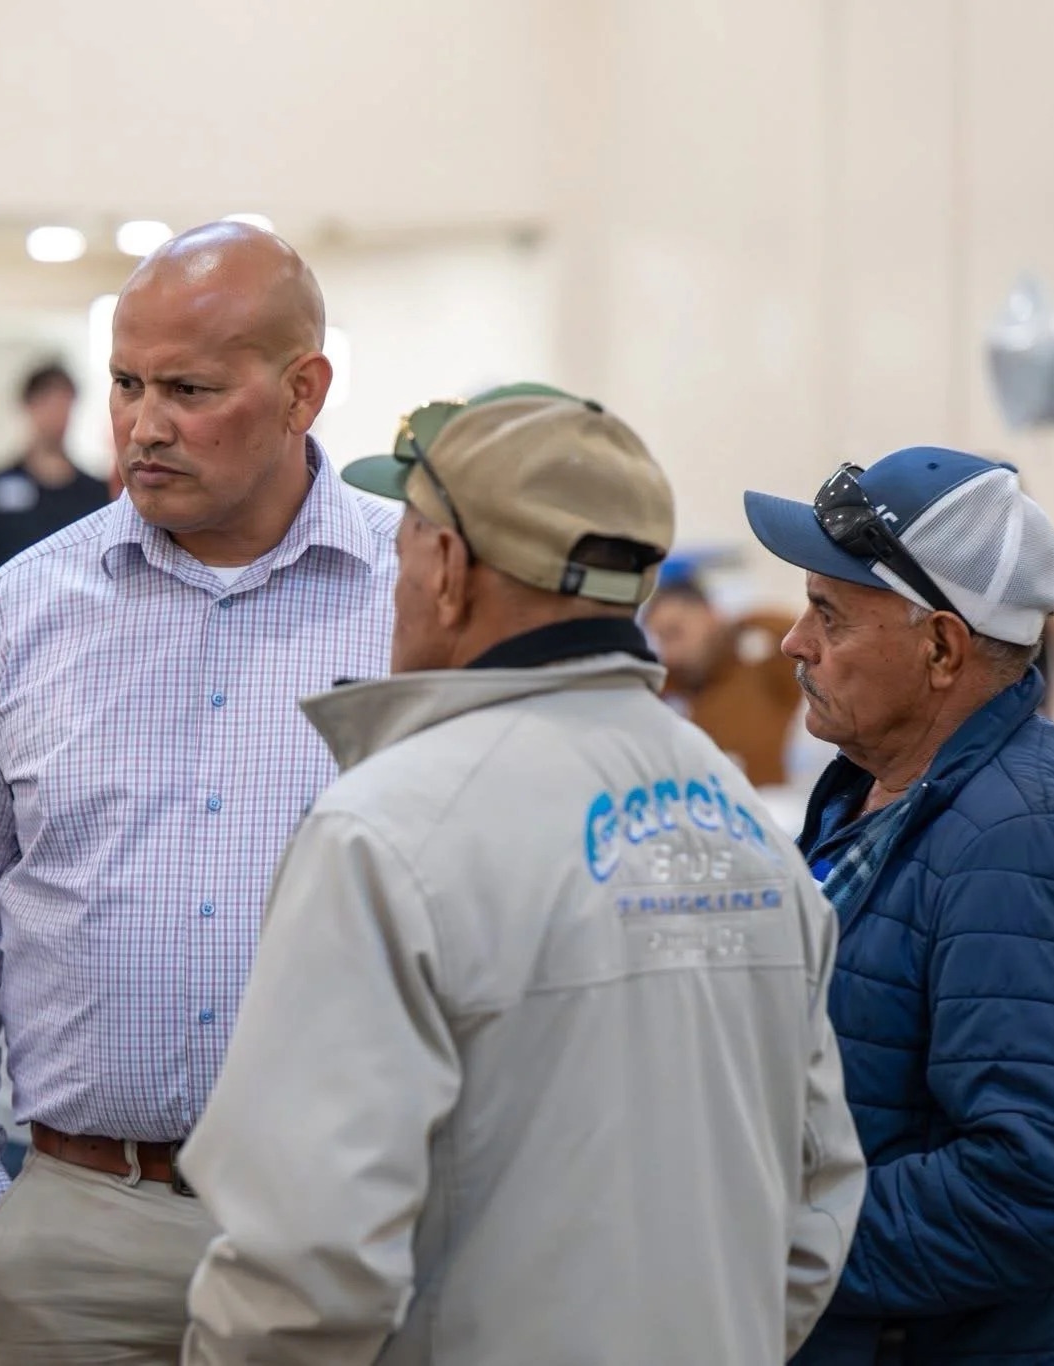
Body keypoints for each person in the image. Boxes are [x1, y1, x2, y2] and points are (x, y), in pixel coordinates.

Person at [180, 391, 864, 1365]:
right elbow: (815, 1202)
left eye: (406, 543)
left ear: (447, 567)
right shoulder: (740, 818)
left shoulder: (385, 830)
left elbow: (305, 1271)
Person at [0, 221, 399, 1365]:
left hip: (351, 1229)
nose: (142, 423)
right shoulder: (20, 613)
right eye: (124, 382)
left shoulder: (415, 601)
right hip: (77, 1238)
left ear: (304, 390)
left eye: (188, 388)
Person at [743, 448, 1054, 1365]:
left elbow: (1044, 1186)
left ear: (941, 648)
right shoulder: (881, 796)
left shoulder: (1023, 845)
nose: (792, 642)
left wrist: (766, 1233)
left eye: (830, 615)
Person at [0, 362, 112, 612]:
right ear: (28, 406)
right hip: (6, 624)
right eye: (47, 402)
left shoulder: (98, 494)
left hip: (81, 624)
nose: (56, 414)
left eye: (63, 403)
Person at [644, 576, 804, 785]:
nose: (670, 652)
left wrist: (736, 624)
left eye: (675, 633)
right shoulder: (668, 685)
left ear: (711, 616)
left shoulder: (762, 672)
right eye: (660, 639)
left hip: (770, 806)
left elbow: (794, 633)